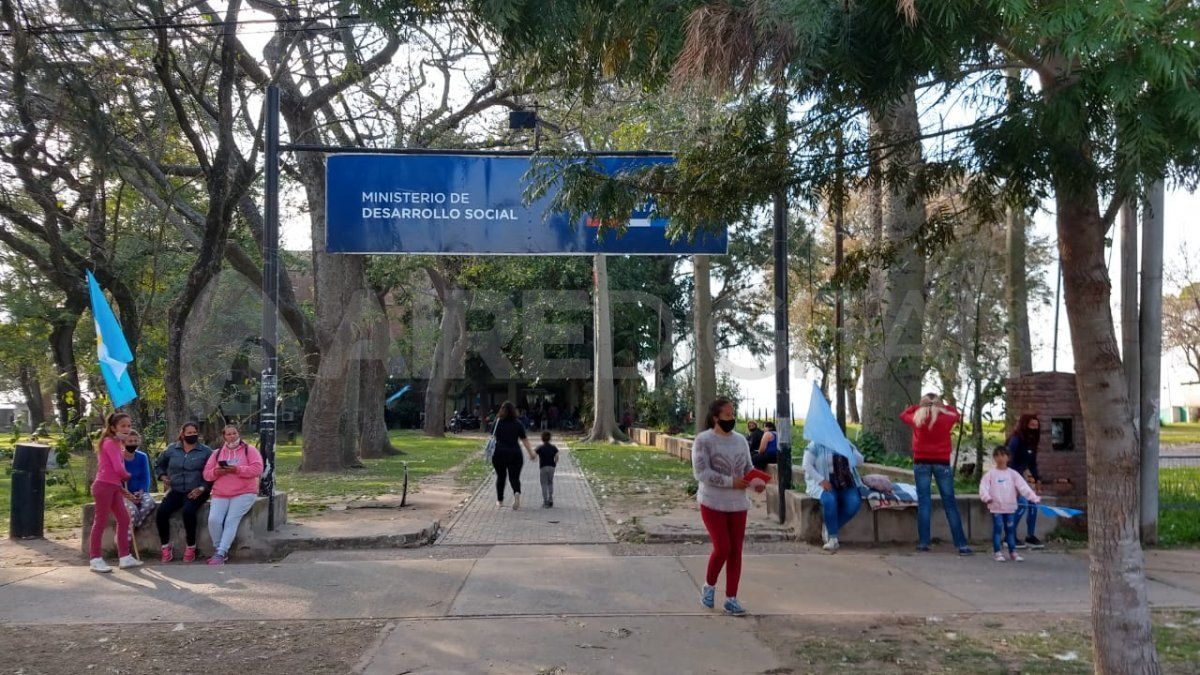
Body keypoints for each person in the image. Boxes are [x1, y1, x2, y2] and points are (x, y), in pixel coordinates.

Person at [692, 397, 764, 616]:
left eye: (733, 414)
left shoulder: (741, 440)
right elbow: (701, 473)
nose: (731, 418)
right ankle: (709, 586)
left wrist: (755, 482)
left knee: (736, 551)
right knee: (723, 547)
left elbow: (748, 468)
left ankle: (731, 598)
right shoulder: (703, 441)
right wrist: (730, 482)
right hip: (712, 502)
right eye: (727, 415)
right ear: (716, 418)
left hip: (738, 504)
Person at [900, 393, 973, 555]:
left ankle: (924, 542)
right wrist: (942, 406)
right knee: (949, 502)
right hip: (942, 462)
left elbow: (903, 414)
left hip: (921, 462)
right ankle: (961, 544)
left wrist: (919, 407)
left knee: (924, 502)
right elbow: (955, 413)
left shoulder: (917, 418)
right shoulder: (946, 418)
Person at [88, 412, 143, 573]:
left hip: (113, 486)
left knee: (124, 519)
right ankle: (95, 558)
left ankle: (125, 557)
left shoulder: (117, 443)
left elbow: (116, 470)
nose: (127, 428)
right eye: (123, 426)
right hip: (104, 486)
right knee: (100, 521)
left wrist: (121, 486)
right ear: (113, 427)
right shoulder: (109, 442)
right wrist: (127, 475)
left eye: (129, 425)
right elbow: (118, 469)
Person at [202, 425, 264, 565]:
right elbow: (206, 474)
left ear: (238, 434)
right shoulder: (217, 453)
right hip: (220, 493)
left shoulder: (250, 450)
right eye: (228, 434)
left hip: (244, 492)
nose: (232, 436)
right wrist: (217, 472)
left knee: (231, 520)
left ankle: (221, 552)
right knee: (214, 520)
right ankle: (218, 549)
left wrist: (237, 470)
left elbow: (257, 469)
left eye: (234, 433)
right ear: (224, 437)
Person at [156, 422, 214, 563]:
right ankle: (165, 546)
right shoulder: (171, 449)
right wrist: (163, 476)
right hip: (176, 490)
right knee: (161, 512)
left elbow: (212, 473)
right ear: (182, 434)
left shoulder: (206, 451)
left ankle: (191, 546)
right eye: (189, 433)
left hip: (196, 490)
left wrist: (202, 488)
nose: (192, 435)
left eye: (195, 432)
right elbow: (159, 464)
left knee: (188, 512)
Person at [979, 446, 1041, 562]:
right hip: (996, 508)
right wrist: (986, 497)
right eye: (997, 455)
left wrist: (1033, 498)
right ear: (994, 458)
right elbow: (983, 487)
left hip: (1010, 508)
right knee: (998, 529)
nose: (1000, 458)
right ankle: (997, 552)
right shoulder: (990, 474)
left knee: (1010, 530)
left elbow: (1023, 487)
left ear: (1008, 457)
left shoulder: (1013, 474)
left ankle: (1013, 552)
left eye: (1003, 455)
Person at [802, 440, 864, 553]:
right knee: (830, 500)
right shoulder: (815, 445)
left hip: (845, 481)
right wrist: (821, 480)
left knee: (854, 503)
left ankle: (830, 526)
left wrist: (850, 451)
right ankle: (832, 538)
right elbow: (807, 465)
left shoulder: (844, 442)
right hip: (824, 481)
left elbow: (860, 462)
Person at [1007, 413, 1045, 549]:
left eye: (1036, 426)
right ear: (1025, 425)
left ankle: (1030, 536)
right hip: (1010, 476)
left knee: (1033, 502)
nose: (1034, 429)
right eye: (1031, 426)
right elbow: (1009, 461)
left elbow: (1032, 463)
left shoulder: (1032, 442)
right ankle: (1009, 536)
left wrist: (1037, 479)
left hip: (1020, 477)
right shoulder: (1016, 440)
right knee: (1022, 504)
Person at [492, 401, 536, 509]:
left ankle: (500, 500)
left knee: (501, 477)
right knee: (514, 477)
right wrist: (531, 453)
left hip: (499, 453)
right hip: (515, 453)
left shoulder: (497, 422)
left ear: (502, 410)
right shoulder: (518, 424)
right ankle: (517, 493)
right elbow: (525, 440)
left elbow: (492, 437)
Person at [121, 430, 156, 537]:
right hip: (124, 493)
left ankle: (133, 527)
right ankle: (125, 540)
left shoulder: (142, 457)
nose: (133, 443)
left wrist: (140, 492)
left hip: (139, 492)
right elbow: (117, 480)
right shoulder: (119, 457)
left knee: (149, 503)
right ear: (123, 442)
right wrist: (128, 495)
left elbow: (145, 478)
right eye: (130, 441)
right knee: (132, 511)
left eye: (135, 441)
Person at [535, 431, 559, 508]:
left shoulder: (540, 448)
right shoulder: (553, 447)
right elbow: (557, 456)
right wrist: (555, 463)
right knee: (550, 482)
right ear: (550, 439)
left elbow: (534, 454)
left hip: (543, 467)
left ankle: (545, 501)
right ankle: (550, 499)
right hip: (551, 466)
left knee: (544, 484)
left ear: (542, 439)